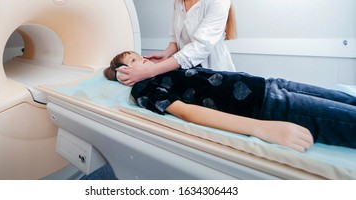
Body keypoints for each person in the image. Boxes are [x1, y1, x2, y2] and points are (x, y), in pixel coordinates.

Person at [105, 51, 356, 153]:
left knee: (347, 100)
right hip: (267, 106)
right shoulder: (144, 87)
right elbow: (187, 113)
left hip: (270, 83)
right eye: (135, 60)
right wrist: (263, 128)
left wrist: (161, 60)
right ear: (124, 74)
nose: (143, 59)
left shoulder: (161, 69)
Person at [117, 0, 236, 86]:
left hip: (217, 73)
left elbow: (200, 47)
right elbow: (175, 39)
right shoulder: (178, 3)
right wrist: (166, 53)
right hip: (191, 74)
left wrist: (151, 71)